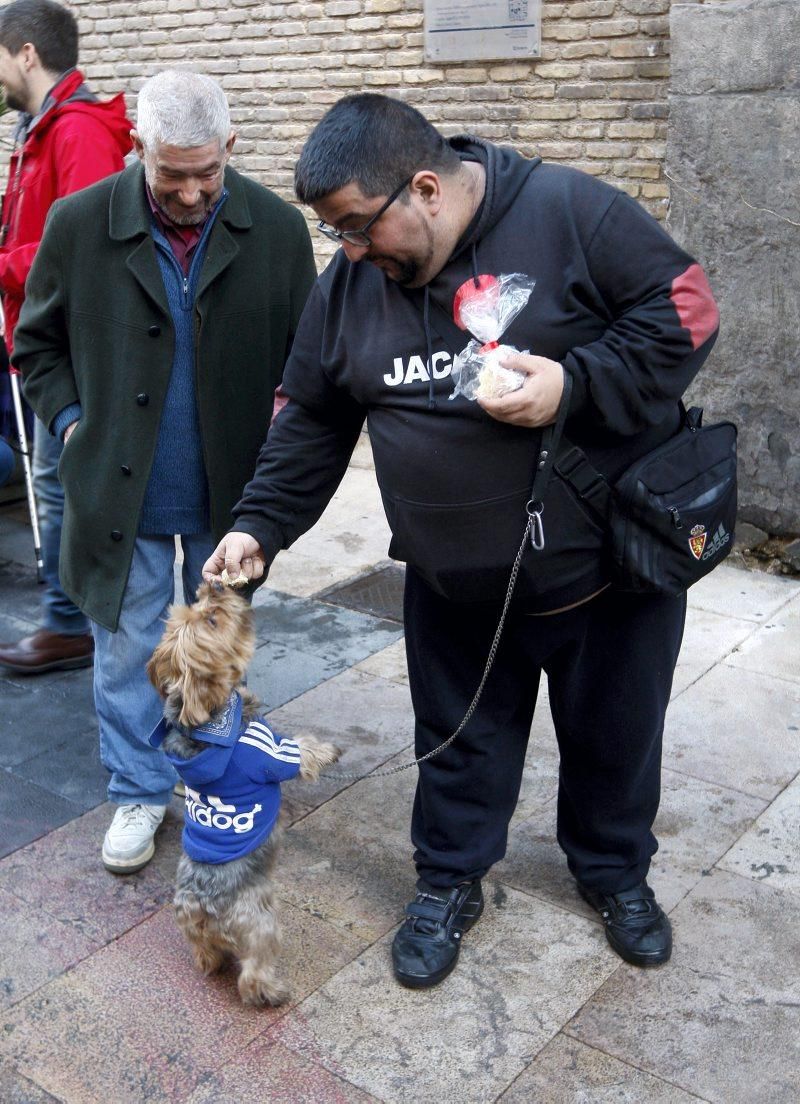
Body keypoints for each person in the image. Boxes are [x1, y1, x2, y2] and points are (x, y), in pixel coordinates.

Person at [202, 93, 721, 988]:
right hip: (454, 585)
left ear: (428, 188)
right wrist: (260, 523)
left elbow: (689, 309)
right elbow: (311, 414)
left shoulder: (570, 211)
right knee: (456, 743)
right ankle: (447, 882)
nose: (351, 253)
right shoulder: (354, 284)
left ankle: (614, 876)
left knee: (615, 738)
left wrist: (575, 384)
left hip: (605, 575)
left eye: (360, 228)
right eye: (337, 236)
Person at [13, 69, 316, 875]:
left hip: (234, 493)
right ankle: (140, 787)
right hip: (119, 486)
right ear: (137, 149)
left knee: (219, 643)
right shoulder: (80, 224)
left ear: (232, 148)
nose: (188, 192)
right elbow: (34, 348)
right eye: (169, 173)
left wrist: (285, 451)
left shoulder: (279, 233)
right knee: (125, 647)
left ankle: (215, 768)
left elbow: (307, 368)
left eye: (206, 172)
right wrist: (75, 424)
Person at [0, 0, 132, 674]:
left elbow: (81, 250)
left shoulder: (77, 133)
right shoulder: (40, 128)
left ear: (26, 53)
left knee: (60, 486)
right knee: (51, 484)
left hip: (70, 346)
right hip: (39, 339)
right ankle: (72, 618)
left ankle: (73, 622)